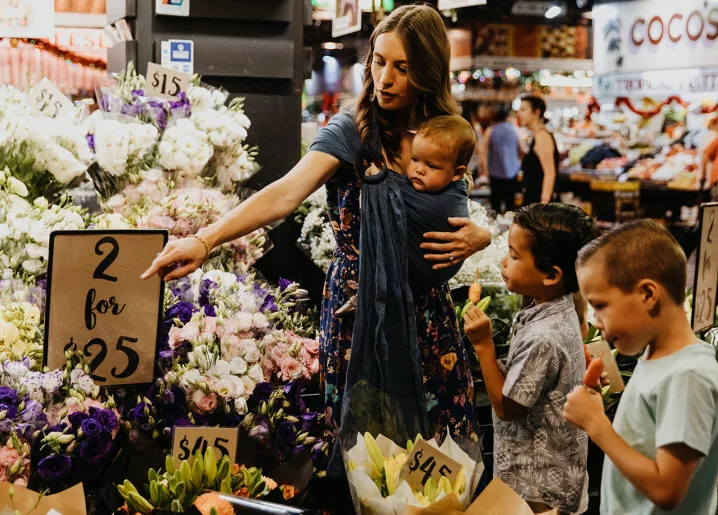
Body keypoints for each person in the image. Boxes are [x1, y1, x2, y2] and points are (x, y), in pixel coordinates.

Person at [141, 4, 489, 444]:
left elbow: (453, 204)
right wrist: (205, 239)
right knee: (366, 445)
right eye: (379, 62)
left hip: (426, 316)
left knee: (435, 454)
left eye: (403, 68)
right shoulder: (353, 130)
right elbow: (286, 193)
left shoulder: (445, 134)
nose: (385, 79)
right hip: (357, 310)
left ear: (429, 70)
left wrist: (482, 234)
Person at [563, 220, 718, 514]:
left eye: (600, 306)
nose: (596, 321)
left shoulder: (688, 375)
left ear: (648, 295)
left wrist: (597, 424)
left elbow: (667, 490)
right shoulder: (658, 355)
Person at [463, 203, 600, 514]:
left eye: (514, 256)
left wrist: (484, 345)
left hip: (537, 491)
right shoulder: (557, 305)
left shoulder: (544, 337)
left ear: (551, 275)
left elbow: (507, 406)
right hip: (555, 477)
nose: (503, 262)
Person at [346, 115, 476, 441]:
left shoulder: (450, 195)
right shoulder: (423, 182)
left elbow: (443, 216)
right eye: (415, 160)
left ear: (456, 174)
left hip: (425, 305)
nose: (417, 169)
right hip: (404, 296)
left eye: (430, 166)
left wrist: (380, 184)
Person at [517, 95, 559, 206]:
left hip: (539, 204)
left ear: (536, 112)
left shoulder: (542, 137)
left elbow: (550, 173)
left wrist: (543, 204)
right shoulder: (537, 135)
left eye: (523, 109)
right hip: (533, 201)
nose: (519, 113)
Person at [482, 107, 520, 214]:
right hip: (512, 172)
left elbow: (483, 151)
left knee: (495, 203)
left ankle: (495, 226)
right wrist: (517, 161)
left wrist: (484, 169)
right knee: (510, 204)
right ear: (506, 118)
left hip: (495, 171)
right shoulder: (514, 129)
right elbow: (522, 149)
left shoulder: (490, 130)